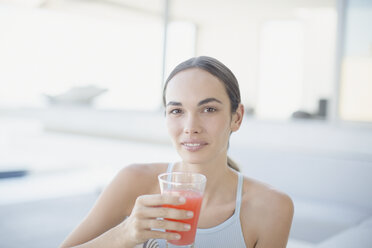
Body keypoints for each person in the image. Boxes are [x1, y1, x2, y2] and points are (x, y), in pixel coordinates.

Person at [60, 56, 294, 248]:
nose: (191, 127)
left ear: (237, 117)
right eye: (176, 111)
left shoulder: (271, 207)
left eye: (209, 109)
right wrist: (124, 234)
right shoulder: (134, 182)